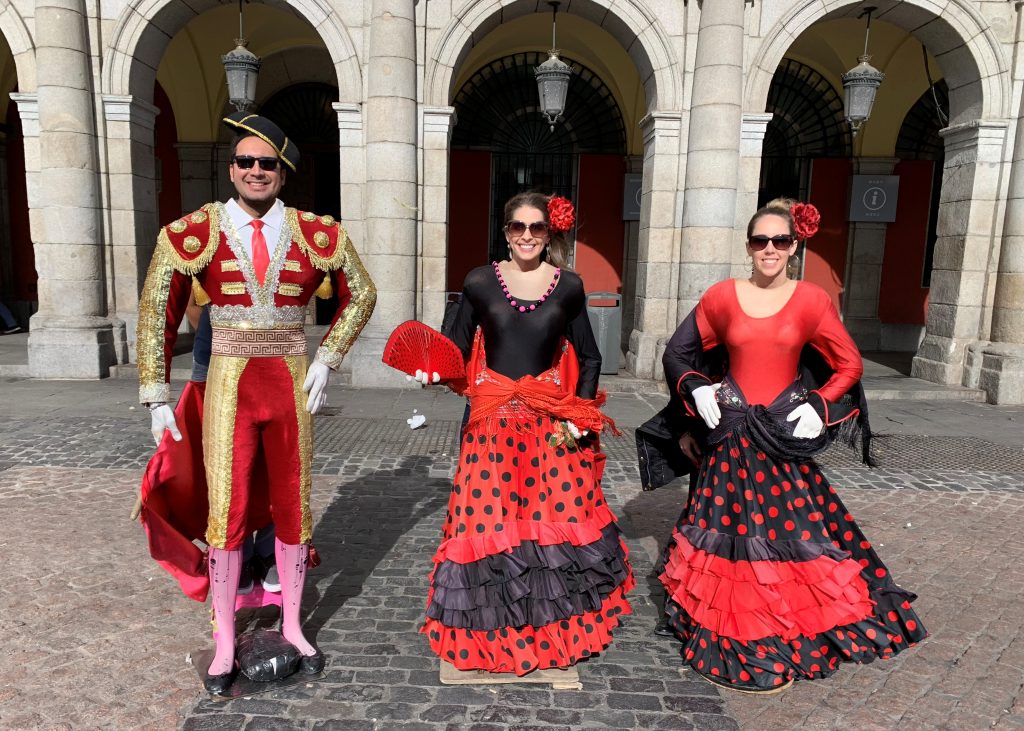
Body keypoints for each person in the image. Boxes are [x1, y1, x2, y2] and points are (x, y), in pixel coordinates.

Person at [136, 111, 376, 693]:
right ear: (232, 168)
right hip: (229, 386)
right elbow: (157, 309)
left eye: (267, 163)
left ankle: (293, 625)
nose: (255, 171)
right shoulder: (195, 231)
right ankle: (224, 638)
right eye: (245, 161)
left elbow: (362, 292)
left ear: (283, 172)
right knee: (230, 510)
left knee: (295, 505)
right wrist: (154, 392)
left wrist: (328, 357)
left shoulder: (317, 232)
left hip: (291, 383)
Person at [657, 199, 927, 693]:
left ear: (794, 246)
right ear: (748, 246)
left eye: (780, 241)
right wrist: (696, 386)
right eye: (760, 240)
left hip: (780, 438)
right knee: (729, 535)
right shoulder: (721, 296)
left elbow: (849, 365)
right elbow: (677, 352)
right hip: (730, 437)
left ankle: (779, 627)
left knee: (789, 533)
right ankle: (735, 634)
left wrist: (819, 405)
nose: (770, 250)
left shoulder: (811, 301)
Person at [415, 191, 633, 675]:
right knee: (489, 527)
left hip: (549, 422)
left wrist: (580, 413)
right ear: (505, 231)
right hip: (490, 425)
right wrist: (432, 369)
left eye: (537, 228)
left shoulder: (569, 286)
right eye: (518, 227)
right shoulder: (478, 282)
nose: (528, 236)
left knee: (550, 523)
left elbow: (591, 357)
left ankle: (551, 625)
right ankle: (491, 629)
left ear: (549, 233)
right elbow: (452, 349)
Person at [186, 292, 278, 595]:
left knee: (274, 461)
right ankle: (238, 551)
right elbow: (192, 305)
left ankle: (267, 551)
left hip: (275, 356)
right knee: (225, 463)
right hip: (215, 356)